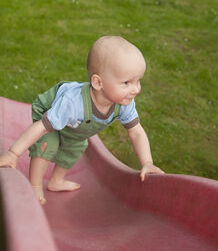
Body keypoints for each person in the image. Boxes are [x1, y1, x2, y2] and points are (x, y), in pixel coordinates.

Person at [0, 36, 164, 204]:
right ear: (98, 82)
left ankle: (56, 181)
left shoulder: (124, 103)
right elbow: (41, 127)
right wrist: (13, 153)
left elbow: (136, 132)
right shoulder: (73, 102)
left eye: (138, 81)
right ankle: (35, 186)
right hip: (50, 112)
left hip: (74, 125)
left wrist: (147, 162)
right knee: (48, 142)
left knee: (76, 146)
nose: (136, 89)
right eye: (126, 82)